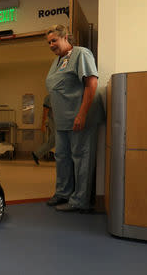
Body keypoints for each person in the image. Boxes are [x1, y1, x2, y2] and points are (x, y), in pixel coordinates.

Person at [44, 24, 102, 212]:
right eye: (49, 42)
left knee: (81, 157)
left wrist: (82, 114)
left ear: (65, 37)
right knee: (61, 156)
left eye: (54, 40)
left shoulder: (81, 54)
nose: (51, 44)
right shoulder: (58, 60)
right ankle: (63, 193)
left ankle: (80, 201)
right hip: (62, 120)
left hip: (79, 118)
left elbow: (91, 83)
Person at [32, 94, 55, 164]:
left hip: (59, 121)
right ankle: (37, 154)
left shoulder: (59, 96)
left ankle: (37, 154)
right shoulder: (49, 97)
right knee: (55, 140)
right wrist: (43, 124)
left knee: (53, 141)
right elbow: (45, 111)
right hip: (54, 121)